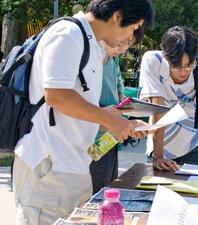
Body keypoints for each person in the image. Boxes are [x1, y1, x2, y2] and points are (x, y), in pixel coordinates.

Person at [12, 1, 153, 225]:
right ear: (117, 17)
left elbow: (79, 106)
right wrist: (108, 120)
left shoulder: (92, 44)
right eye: (134, 27)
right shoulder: (68, 34)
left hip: (73, 165)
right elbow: (57, 95)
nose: (132, 35)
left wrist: (116, 119)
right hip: (49, 166)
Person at [139, 26, 198, 171]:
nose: (183, 72)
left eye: (189, 65)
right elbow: (158, 110)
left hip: (193, 147)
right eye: (176, 66)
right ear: (165, 56)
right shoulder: (153, 61)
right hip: (159, 146)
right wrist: (158, 156)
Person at [90, 27, 144, 194]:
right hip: (89, 141)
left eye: (128, 45)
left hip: (108, 141)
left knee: (108, 191)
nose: (122, 49)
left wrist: (129, 120)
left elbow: (119, 95)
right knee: (94, 195)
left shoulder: (113, 60)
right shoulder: (90, 58)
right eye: (121, 42)